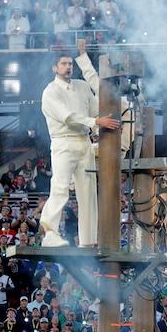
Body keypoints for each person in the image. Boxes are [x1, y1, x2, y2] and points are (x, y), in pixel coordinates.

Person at [39, 53, 120, 247]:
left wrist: (108, 119)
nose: (68, 67)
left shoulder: (83, 87)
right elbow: (67, 117)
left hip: (84, 142)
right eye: (63, 63)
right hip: (63, 142)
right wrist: (96, 122)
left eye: (70, 63)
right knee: (60, 187)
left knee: (88, 191)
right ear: (55, 68)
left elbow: (95, 111)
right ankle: (50, 233)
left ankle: (89, 240)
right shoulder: (50, 92)